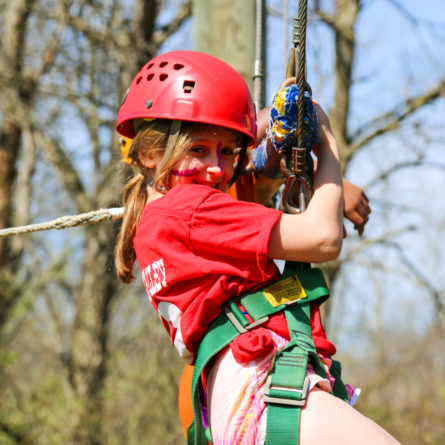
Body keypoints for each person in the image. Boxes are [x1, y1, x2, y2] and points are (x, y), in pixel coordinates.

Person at [115, 50, 398, 445]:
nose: (217, 167)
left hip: (233, 400)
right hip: (261, 387)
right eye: (198, 149)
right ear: (149, 154)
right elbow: (323, 237)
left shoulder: (162, 219)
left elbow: (252, 180)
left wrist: (279, 127)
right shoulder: (191, 208)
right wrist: (326, 143)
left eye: (228, 151)